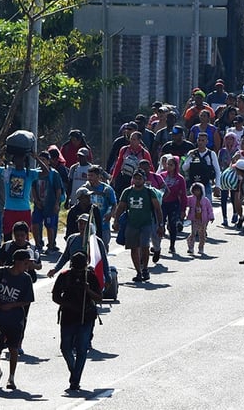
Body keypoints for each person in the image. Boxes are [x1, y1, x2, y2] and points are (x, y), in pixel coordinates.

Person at [51, 252, 102, 392]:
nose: (79, 271)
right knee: (65, 348)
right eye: (76, 268)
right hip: (68, 317)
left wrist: (88, 290)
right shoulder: (65, 276)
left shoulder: (90, 276)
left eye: (81, 268)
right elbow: (55, 296)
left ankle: (75, 380)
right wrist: (68, 304)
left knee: (81, 348)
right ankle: (74, 371)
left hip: (86, 317)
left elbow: (99, 298)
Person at [0, 249, 35, 391]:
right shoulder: (1, 272)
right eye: (25, 263)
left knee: (13, 348)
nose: (27, 267)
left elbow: (27, 300)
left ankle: (11, 378)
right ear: (18, 262)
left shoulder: (26, 279)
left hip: (15, 319)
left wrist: (11, 305)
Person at [112, 170, 165, 283]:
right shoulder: (127, 192)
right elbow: (121, 207)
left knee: (145, 246)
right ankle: (138, 272)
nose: (137, 180)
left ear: (144, 179)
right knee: (133, 248)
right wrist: (116, 221)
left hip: (146, 223)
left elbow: (158, 209)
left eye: (139, 178)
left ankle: (145, 268)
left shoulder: (149, 192)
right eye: (135, 178)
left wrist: (160, 225)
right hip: (131, 224)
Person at [0, 148, 51, 241]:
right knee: (7, 236)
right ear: (13, 160)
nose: (19, 161)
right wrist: (1, 154)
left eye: (21, 159)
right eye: (17, 158)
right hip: (9, 209)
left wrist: (36, 157)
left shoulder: (29, 173)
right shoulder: (8, 171)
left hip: (24, 210)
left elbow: (46, 172)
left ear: (25, 160)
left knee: (24, 238)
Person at [31, 151, 63, 253]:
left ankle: (51, 245)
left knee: (50, 226)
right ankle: (38, 244)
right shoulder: (36, 173)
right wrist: (36, 200)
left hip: (50, 204)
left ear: (49, 161)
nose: (41, 162)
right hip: (39, 204)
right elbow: (33, 187)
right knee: (35, 223)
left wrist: (57, 204)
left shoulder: (54, 174)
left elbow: (58, 190)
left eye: (43, 160)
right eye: (40, 160)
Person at [158, 155, 187, 253]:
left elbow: (183, 195)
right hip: (162, 204)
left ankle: (172, 245)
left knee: (172, 224)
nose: (169, 166)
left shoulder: (180, 179)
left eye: (171, 165)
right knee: (159, 224)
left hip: (174, 204)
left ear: (176, 166)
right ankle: (157, 245)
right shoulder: (161, 176)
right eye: (167, 164)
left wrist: (183, 210)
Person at [181, 132, 221, 203]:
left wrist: (217, 186)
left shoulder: (211, 154)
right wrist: (190, 157)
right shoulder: (192, 153)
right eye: (199, 140)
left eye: (203, 140)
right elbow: (184, 168)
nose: (200, 142)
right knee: (193, 207)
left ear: (207, 142)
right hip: (194, 185)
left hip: (206, 184)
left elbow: (217, 170)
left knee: (207, 206)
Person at [110, 131, 152, 198]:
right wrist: (113, 177)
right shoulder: (124, 149)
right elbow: (118, 164)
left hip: (137, 179)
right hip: (123, 177)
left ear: (139, 141)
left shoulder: (144, 153)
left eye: (134, 139)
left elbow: (150, 167)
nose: (132, 141)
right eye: (131, 139)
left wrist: (151, 179)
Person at [82, 166, 117, 246]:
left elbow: (114, 204)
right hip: (89, 224)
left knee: (103, 247)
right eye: (88, 175)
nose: (89, 178)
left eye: (92, 175)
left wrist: (111, 214)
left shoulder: (107, 189)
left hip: (103, 224)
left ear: (98, 177)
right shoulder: (85, 188)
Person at [185, 183, 214, 254]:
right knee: (193, 233)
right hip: (194, 219)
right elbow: (185, 202)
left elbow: (209, 209)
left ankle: (201, 248)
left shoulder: (205, 200)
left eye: (198, 190)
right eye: (195, 190)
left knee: (202, 235)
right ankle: (191, 247)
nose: (196, 192)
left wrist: (211, 217)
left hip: (203, 220)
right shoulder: (191, 199)